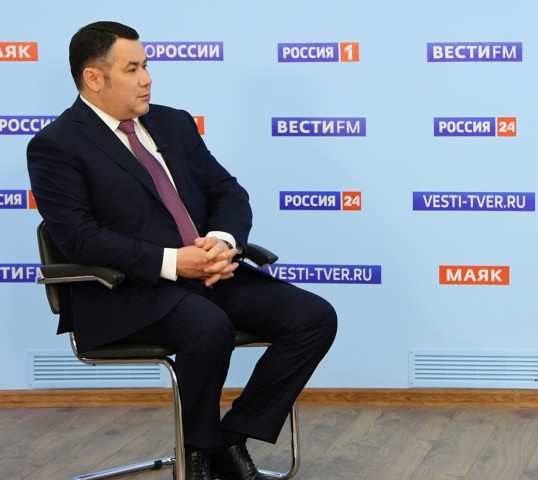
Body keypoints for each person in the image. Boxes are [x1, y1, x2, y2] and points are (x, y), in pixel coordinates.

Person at [27, 21, 337, 480]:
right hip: (124, 291)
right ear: (94, 78)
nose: (147, 78)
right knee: (206, 325)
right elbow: (78, 237)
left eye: (146, 65)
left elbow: (227, 192)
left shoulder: (172, 123)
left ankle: (230, 438)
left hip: (206, 275)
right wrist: (174, 262)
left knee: (314, 317)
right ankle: (199, 452)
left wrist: (222, 242)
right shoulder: (56, 146)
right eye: (132, 69)